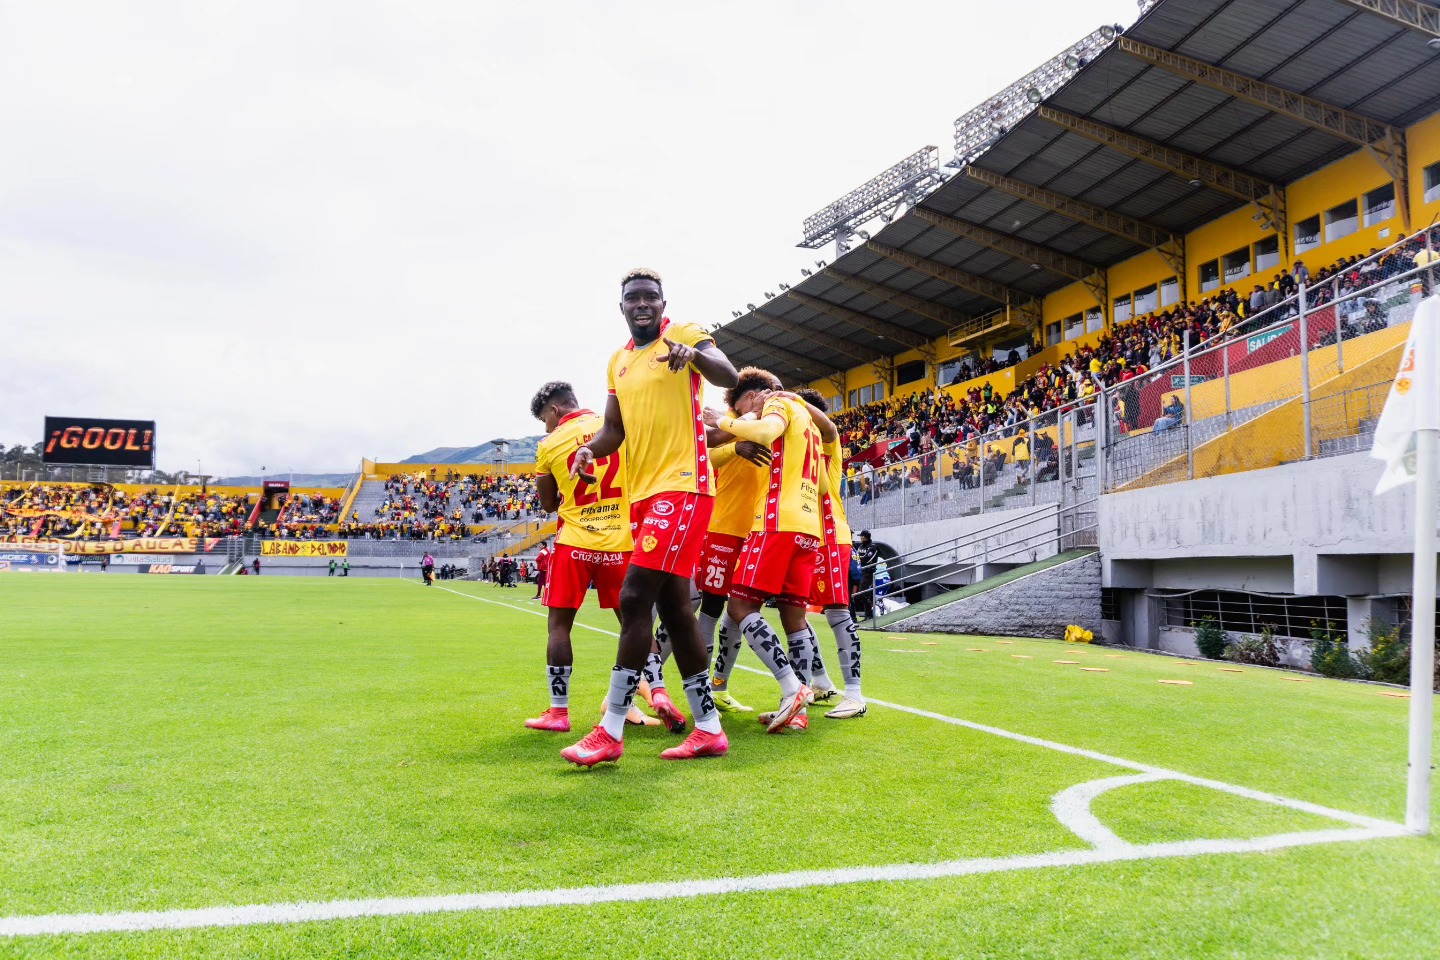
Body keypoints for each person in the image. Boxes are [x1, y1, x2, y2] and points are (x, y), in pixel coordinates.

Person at [560, 267, 739, 767]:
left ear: (663, 303)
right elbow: (613, 430)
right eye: (633, 298)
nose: (642, 303)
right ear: (621, 307)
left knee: (634, 596)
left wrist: (695, 356)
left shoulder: (684, 335)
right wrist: (589, 450)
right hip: (641, 495)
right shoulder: (617, 362)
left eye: (650, 297)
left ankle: (610, 729)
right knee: (676, 610)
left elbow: (728, 375)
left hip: (682, 486)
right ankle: (709, 729)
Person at [525, 381, 651, 733]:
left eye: (545, 420)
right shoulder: (614, 423)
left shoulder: (550, 444)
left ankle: (558, 713)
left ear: (555, 411)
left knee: (559, 626)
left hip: (575, 541)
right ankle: (657, 694)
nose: (546, 428)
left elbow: (548, 504)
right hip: (620, 540)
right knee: (635, 623)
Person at [703, 376, 823, 733]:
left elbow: (766, 431)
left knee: (739, 608)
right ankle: (798, 711)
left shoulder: (776, 403)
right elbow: (823, 482)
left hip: (775, 523)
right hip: (808, 527)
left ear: (755, 396)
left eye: (742, 408)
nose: (744, 415)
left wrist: (720, 421)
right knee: (795, 620)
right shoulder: (809, 422)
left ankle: (792, 687)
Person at [698, 369, 781, 714]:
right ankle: (693, 687)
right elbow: (702, 454)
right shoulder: (726, 422)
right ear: (750, 396)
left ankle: (719, 686)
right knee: (709, 607)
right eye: (770, 393)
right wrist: (736, 448)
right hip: (722, 529)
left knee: (740, 612)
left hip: (755, 532)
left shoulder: (766, 426)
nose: (775, 400)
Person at [796, 388, 866, 719]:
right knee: (794, 611)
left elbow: (830, 428)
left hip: (830, 536)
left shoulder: (826, 440)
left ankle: (855, 695)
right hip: (803, 536)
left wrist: (794, 401)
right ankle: (821, 681)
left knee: (837, 612)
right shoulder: (795, 444)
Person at [852, 531, 879, 622]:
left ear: (865, 537)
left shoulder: (873, 547)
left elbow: (867, 559)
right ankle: (868, 614)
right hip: (859, 572)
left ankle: (870, 614)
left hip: (868, 573)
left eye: (861, 536)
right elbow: (857, 558)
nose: (860, 538)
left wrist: (858, 559)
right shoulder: (860, 547)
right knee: (859, 594)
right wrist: (858, 559)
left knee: (862, 594)